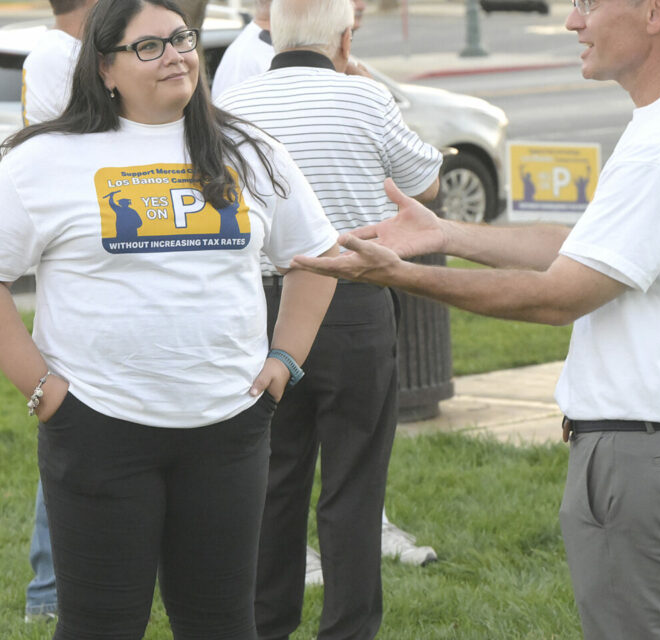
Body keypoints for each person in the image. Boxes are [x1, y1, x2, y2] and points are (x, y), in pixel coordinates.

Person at [292, 0, 660, 635]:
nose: (574, 22)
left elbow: (558, 295)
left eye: (588, 4)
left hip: (652, 459)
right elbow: (590, 250)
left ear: (653, 12)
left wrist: (400, 275)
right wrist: (446, 233)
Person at [0, 1, 339, 636]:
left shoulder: (247, 148)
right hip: (99, 430)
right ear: (105, 67)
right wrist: (44, 389)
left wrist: (284, 360)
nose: (177, 55)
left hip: (229, 429)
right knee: (101, 625)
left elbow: (316, 255)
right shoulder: (48, 158)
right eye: (150, 47)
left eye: (182, 39)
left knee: (222, 623)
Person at [216, 0, 440, 637]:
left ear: (272, 33)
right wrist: (369, 87)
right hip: (356, 299)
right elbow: (424, 182)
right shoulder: (364, 99)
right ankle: (348, 628)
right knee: (355, 480)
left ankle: (266, 622)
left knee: (274, 476)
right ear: (346, 38)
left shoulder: (235, 107)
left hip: (264, 306)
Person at [17, 0, 98, 623]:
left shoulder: (71, 54)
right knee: (72, 432)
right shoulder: (57, 56)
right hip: (76, 263)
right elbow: (69, 142)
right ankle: (48, 592)